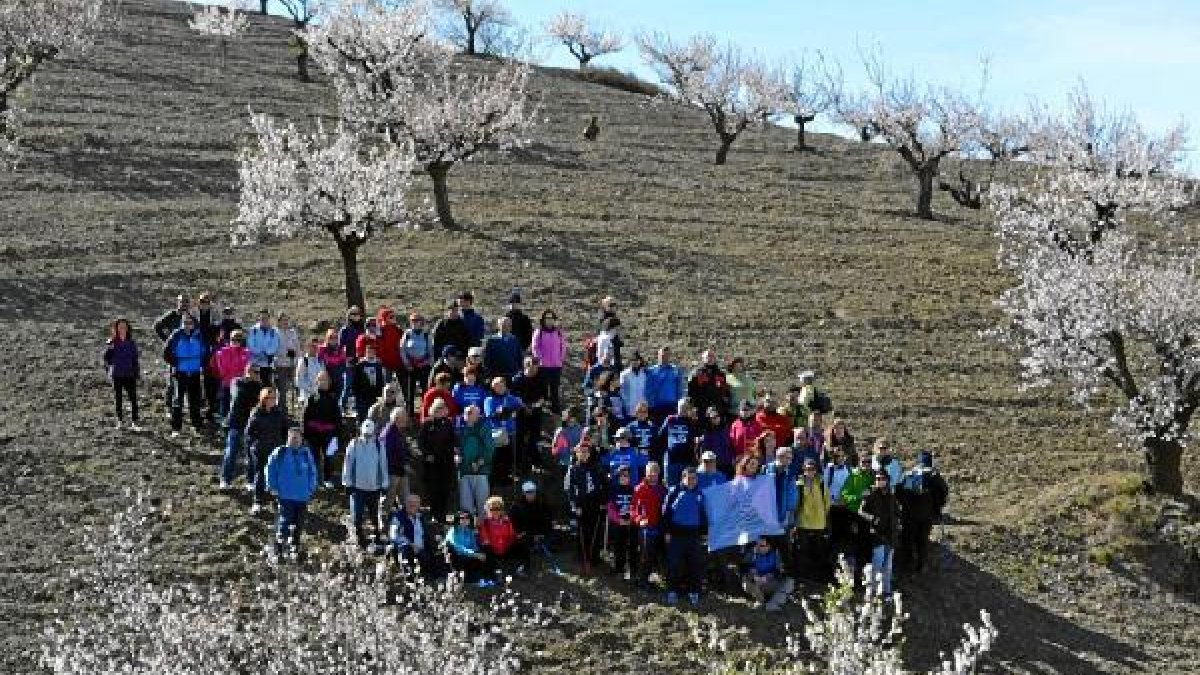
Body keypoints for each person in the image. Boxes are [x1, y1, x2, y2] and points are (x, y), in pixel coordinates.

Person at [265, 425, 318, 558]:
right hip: (285, 495)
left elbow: (313, 472)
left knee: (299, 524)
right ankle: (278, 549)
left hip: (302, 497)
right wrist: (272, 486)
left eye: (297, 438)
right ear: (288, 438)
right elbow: (269, 469)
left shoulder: (306, 453)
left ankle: (294, 547)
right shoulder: (280, 452)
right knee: (284, 522)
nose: (295, 440)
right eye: (292, 437)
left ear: (301, 439)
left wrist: (310, 488)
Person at [896, 450, 949, 574]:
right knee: (922, 539)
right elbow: (943, 492)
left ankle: (907, 563)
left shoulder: (908, 474)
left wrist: (904, 506)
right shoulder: (934, 476)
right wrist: (937, 509)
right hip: (926, 514)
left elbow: (898, 492)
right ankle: (921, 564)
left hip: (908, 514)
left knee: (908, 537)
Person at [663, 466, 707, 606]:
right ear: (683, 478)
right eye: (689, 478)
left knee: (694, 564)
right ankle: (672, 591)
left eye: (694, 478)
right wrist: (667, 531)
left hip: (693, 534)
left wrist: (703, 532)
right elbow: (665, 513)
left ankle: (693, 591)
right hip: (676, 534)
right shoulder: (674, 492)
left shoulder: (700, 493)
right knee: (674, 564)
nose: (692, 481)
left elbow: (703, 515)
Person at [343, 419, 389, 549]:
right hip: (357, 488)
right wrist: (347, 483)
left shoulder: (380, 446)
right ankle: (359, 538)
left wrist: (384, 485)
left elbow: (383, 466)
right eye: (365, 434)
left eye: (370, 434)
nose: (367, 436)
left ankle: (377, 537)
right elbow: (348, 464)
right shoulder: (354, 444)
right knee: (357, 516)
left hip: (374, 488)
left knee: (375, 515)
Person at [163, 313, 208, 436]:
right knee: (178, 400)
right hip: (180, 372)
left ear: (193, 324)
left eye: (190, 323)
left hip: (194, 372)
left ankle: (196, 426)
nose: (188, 325)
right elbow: (166, 352)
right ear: (182, 323)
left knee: (195, 400)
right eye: (185, 323)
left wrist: (201, 364)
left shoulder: (199, 336)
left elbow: (205, 351)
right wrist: (175, 363)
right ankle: (176, 428)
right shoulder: (176, 335)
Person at [245, 387, 289, 514]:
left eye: (275, 398)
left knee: (277, 475)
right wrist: (254, 446)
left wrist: (284, 445)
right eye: (270, 398)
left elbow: (285, 429)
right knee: (260, 476)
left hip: (276, 450)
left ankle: (277, 501)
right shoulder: (256, 413)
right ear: (263, 399)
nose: (273, 400)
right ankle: (257, 501)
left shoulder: (278, 413)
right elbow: (249, 433)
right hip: (260, 450)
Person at [566, 441, 606, 574]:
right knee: (582, 532)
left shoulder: (597, 467)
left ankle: (594, 556)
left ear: (589, 453)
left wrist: (603, 502)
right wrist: (575, 505)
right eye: (581, 452)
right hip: (581, 504)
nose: (583, 454)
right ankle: (582, 557)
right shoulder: (574, 468)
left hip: (595, 503)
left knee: (595, 531)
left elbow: (603, 485)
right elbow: (571, 489)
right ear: (577, 454)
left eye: (586, 452)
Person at [417, 398, 458, 524]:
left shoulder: (449, 423)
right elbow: (420, 442)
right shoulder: (427, 424)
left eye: (442, 409)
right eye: (438, 409)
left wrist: (451, 451)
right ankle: (434, 514)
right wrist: (427, 454)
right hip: (431, 464)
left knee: (444, 490)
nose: (440, 411)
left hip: (446, 462)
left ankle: (443, 516)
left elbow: (454, 440)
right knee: (433, 490)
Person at [860, 469, 898, 594]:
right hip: (877, 534)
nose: (879, 481)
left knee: (888, 566)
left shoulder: (891, 495)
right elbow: (861, 511)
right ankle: (872, 592)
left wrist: (898, 523)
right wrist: (873, 519)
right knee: (876, 564)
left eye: (882, 478)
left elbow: (896, 512)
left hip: (891, 534)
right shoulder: (869, 494)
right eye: (877, 479)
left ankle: (886, 592)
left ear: (887, 480)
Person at [302, 370, 343, 487]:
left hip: (329, 435)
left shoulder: (333, 399)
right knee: (313, 458)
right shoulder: (311, 398)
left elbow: (338, 420)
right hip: (313, 435)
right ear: (317, 382)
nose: (323, 382)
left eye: (325, 379)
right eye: (320, 379)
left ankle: (327, 478)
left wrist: (337, 435)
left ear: (329, 383)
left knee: (329, 458)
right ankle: (314, 479)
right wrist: (305, 434)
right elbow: (305, 417)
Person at [793, 457, 831, 582]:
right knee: (803, 550)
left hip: (819, 522)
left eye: (812, 469)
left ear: (816, 470)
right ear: (803, 470)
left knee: (818, 550)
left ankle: (818, 575)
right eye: (807, 469)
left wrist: (824, 515)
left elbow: (827, 501)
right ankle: (804, 575)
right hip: (803, 522)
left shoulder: (821, 483)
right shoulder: (798, 484)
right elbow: (795, 503)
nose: (810, 471)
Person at [510, 357, 548, 477]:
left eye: (536, 367)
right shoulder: (517, 379)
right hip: (520, 411)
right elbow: (514, 397)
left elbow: (544, 396)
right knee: (519, 438)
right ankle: (518, 464)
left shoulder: (541, 378)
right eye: (532, 367)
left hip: (536, 410)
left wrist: (535, 406)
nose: (534, 369)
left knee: (534, 438)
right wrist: (525, 407)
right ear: (526, 366)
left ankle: (536, 462)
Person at [632, 461, 667, 586]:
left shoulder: (663, 489)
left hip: (660, 526)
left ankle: (662, 577)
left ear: (658, 474)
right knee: (646, 554)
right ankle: (642, 580)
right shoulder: (639, 489)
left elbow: (666, 509)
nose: (652, 476)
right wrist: (639, 519)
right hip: (646, 527)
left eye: (655, 474)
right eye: (650, 474)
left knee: (662, 554)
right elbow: (633, 509)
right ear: (646, 474)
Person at [483, 377, 523, 487]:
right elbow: (490, 414)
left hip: (510, 432)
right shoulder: (489, 399)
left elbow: (519, 406)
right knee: (496, 458)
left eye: (502, 385)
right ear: (493, 387)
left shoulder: (510, 398)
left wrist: (511, 410)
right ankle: (493, 479)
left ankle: (505, 478)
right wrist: (503, 412)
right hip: (497, 433)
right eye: (497, 386)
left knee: (507, 457)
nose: (500, 388)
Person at [103, 318, 142, 431]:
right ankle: (120, 421)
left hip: (130, 374)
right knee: (118, 399)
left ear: (128, 328)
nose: (122, 329)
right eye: (120, 327)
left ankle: (135, 422)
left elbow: (135, 359)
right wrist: (110, 369)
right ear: (116, 329)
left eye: (124, 326)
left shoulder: (131, 343)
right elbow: (106, 358)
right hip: (117, 374)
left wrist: (137, 373)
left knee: (133, 399)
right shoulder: (112, 342)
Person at [457, 405, 494, 518]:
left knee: (483, 505)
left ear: (477, 415)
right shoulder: (459, 429)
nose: (467, 415)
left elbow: (490, 448)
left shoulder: (484, 428)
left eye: (470, 413)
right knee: (465, 507)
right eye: (466, 412)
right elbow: (455, 448)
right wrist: (456, 456)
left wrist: (479, 462)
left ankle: (484, 532)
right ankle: (469, 532)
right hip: (464, 472)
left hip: (481, 472)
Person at [387, 494, 438, 574]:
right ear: (405, 503)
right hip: (407, 550)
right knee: (406, 551)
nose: (412, 505)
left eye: (415, 503)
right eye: (410, 502)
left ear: (419, 505)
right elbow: (393, 536)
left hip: (422, 549)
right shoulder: (398, 517)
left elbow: (426, 532)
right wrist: (411, 544)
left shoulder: (421, 516)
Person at [478, 496, 529, 575]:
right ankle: (494, 570)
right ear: (487, 510)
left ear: (502, 509)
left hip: (505, 549)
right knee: (487, 549)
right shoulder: (485, 523)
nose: (495, 511)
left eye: (498, 509)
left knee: (522, 545)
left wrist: (518, 536)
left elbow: (512, 535)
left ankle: (522, 566)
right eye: (492, 509)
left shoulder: (507, 521)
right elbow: (485, 541)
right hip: (493, 551)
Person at [743, 536, 794, 612]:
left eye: (762, 546)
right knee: (746, 582)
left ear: (769, 546)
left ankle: (771, 602)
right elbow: (745, 566)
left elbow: (780, 571)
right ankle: (761, 600)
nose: (759, 547)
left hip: (770, 582)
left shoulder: (775, 554)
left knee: (789, 582)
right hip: (756, 582)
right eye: (757, 545)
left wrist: (768, 576)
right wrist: (753, 573)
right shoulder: (753, 552)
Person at [530, 310, 567, 413]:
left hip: (556, 366)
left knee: (555, 390)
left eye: (551, 318)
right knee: (543, 390)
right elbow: (535, 347)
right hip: (543, 367)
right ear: (543, 320)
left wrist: (561, 359)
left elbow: (563, 346)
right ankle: (543, 412)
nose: (549, 320)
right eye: (547, 318)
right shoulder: (539, 332)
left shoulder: (559, 332)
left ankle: (555, 411)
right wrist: (540, 359)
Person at [510, 481, 554, 566]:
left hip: (540, 533)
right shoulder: (516, 506)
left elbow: (548, 521)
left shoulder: (542, 504)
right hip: (525, 534)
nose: (531, 494)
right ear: (523, 493)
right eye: (528, 492)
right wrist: (521, 533)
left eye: (532, 492)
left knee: (550, 538)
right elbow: (513, 523)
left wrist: (541, 533)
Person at [659, 398, 701, 487]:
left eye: (686, 407)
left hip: (686, 461)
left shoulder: (691, 421)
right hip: (671, 460)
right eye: (681, 406)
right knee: (671, 488)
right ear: (678, 407)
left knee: (686, 487)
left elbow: (698, 434)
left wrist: (694, 420)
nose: (683, 409)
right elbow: (661, 436)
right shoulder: (670, 419)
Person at [211, 330, 250, 421]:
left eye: (238, 340)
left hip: (240, 384)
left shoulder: (246, 352)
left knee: (237, 407)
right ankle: (223, 426)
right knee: (225, 405)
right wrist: (228, 375)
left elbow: (246, 368)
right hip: (227, 383)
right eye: (233, 339)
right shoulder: (222, 352)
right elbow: (222, 368)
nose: (236, 342)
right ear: (229, 339)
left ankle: (235, 427)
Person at [380, 408, 412, 520]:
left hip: (401, 471)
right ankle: (383, 524)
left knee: (406, 499)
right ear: (397, 419)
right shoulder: (388, 433)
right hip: (392, 472)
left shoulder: (399, 431)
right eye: (405, 417)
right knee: (388, 499)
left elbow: (403, 450)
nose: (407, 419)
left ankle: (405, 522)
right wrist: (403, 464)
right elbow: (387, 455)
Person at [607, 466, 638, 580]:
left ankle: (632, 570)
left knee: (632, 547)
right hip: (618, 523)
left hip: (630, 523)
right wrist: (618, 520)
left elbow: (635, 506)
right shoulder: (613, 489)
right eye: (622, 475)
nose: (625, 478)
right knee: (618, 547)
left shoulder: (633, 490)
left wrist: (632, 518)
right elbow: (610, 508)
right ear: (618, 476)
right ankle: (619, 569)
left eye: (627, 476)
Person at [399, 312, 433, 415]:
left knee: (425, 390)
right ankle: (410, 414)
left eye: (417, 320)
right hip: (410, 366)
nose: (414, 323)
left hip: (423, 366)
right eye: (412, 321)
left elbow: (431, 351)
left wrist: (425, 363)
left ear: (421, 322)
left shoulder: (426, 334)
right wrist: (407, 364)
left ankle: (425, 412)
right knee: (410, 392)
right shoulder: (407, 334)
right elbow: (402, 349)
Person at [445, 511, 489, 583]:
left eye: (467, 518)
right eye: (462, 518)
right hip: (456, 557)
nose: (465, 520)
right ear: (458, 520)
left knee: (484, 554)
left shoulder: (469, 531)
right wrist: (475, 554)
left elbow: (474, 545)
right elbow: (458, 548)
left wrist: (480, 554)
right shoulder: (453, 531)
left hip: (468, 556)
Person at [644, 346, 685, 423]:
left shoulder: (676, 370)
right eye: (662, 355)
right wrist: (651, 406)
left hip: (672, 407)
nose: (665, 357)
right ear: (658, 355)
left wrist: (679, 404)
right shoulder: (651, 371)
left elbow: (679, 388)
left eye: (667, 355)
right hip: (656, 407)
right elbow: (648, 389)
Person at [687, 350, 730, 420]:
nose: (710, 358)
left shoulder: (720, 374)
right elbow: (691, 392)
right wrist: (693, 406)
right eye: (707, 357)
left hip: (718, 409)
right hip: (701, 409)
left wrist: (724, 406)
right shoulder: (696, 373)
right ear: (703, 358)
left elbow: (725, 391)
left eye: (712, 356)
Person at [351, 343, 387, 422]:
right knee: (362, 415)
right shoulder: (360, 365)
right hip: (362, 395)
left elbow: (382, 380)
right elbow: (355, 381)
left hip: (375, 395)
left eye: (372, 352)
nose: (370, 353)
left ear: (375, 353)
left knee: (374, 415)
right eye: (368, 352)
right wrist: (356, 393)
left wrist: (381, 393)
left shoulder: (379, 365)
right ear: (365, 353)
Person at [246, 309, 281, 386]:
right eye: (262, 318)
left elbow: (275, 345)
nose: (264, 320)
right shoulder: (253, 330)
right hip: (255, 363)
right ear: (259, 318)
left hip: (268, 363)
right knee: (255, 385)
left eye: (266, 318)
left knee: (267, 385)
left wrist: (266, 352)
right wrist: (259, 352)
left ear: (269, 318)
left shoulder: (274, 331)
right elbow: (250, 344)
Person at [274, 312, 301, 412]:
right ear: (279, 321)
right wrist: (287, 353)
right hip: (280, 365)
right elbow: (274, 349)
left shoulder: (292, 332)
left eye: (287, 320)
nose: (285, 322)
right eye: (283, 320)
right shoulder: (275, 332)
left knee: (295, 387)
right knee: (282, 389)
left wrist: (297, 361)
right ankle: (281, 410)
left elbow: (297, 347)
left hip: (292, 364)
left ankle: (295, 409)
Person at [317, 328, 348, 413]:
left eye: (335, 337)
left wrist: (338, 371)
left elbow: (343, 363)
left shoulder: (340, 348)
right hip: (326, 379)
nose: (333, 339)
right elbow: (319, 362)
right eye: (331, 337)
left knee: (335, 401)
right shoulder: (322, 349)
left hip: (338, 379)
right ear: (327, 338)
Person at [483, 316, 522, 382]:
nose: (506, 327)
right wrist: (488, 373)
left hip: (512, 374)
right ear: (499, 326)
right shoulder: (492, 340)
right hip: (496, 375)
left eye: (509, 325)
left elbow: (519, 357)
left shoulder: (515, 340)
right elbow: (487, 358)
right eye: (503, 325)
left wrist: (519, 371)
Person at [698, 406, 734, 478]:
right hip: (715, 467)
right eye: (713, 417)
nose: (716, 419)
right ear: (709, 419)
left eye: (717, 416)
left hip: (728, 464)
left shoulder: (726, 429)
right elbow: (705, 451)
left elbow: (731, 445)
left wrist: (733, 458)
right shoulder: (707, 433)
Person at [374, 306, 405, 381]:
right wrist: (381, 359)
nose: (394, 318)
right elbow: (378, 346)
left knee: (402, 384)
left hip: (399, 361)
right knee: (387, 384)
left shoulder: (398, 330)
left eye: (394, 316)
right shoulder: (380, 331)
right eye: (391, 317)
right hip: (385, 363)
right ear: (385, 318)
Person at [551, 409, 583, 476]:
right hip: (565, 462)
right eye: (562, 416)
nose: (572, 420)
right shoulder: (560, 431)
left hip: (577, 461)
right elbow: (554, 449)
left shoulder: (580, 429)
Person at [294, 337, 324, 410]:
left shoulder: (320, 361)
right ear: (308, 346)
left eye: (317, 346)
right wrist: (312, 389)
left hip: (320, 395)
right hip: (307, 397)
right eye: (313, 346)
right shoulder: (303, 361)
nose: (315, 349)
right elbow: (298, 381)